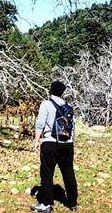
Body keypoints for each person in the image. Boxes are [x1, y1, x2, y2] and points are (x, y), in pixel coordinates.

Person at [30, 80, 78, 212]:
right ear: (63, 92)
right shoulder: (68, 106)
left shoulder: (46, 104)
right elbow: (73, 127)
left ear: (50, 90)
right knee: (68, 172)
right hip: (67, 144)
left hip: (50, 143)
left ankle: (46, 204)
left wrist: (36, 140)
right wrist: (70, 140)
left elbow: (40, 123)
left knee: (47, 173)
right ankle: (73, 203)